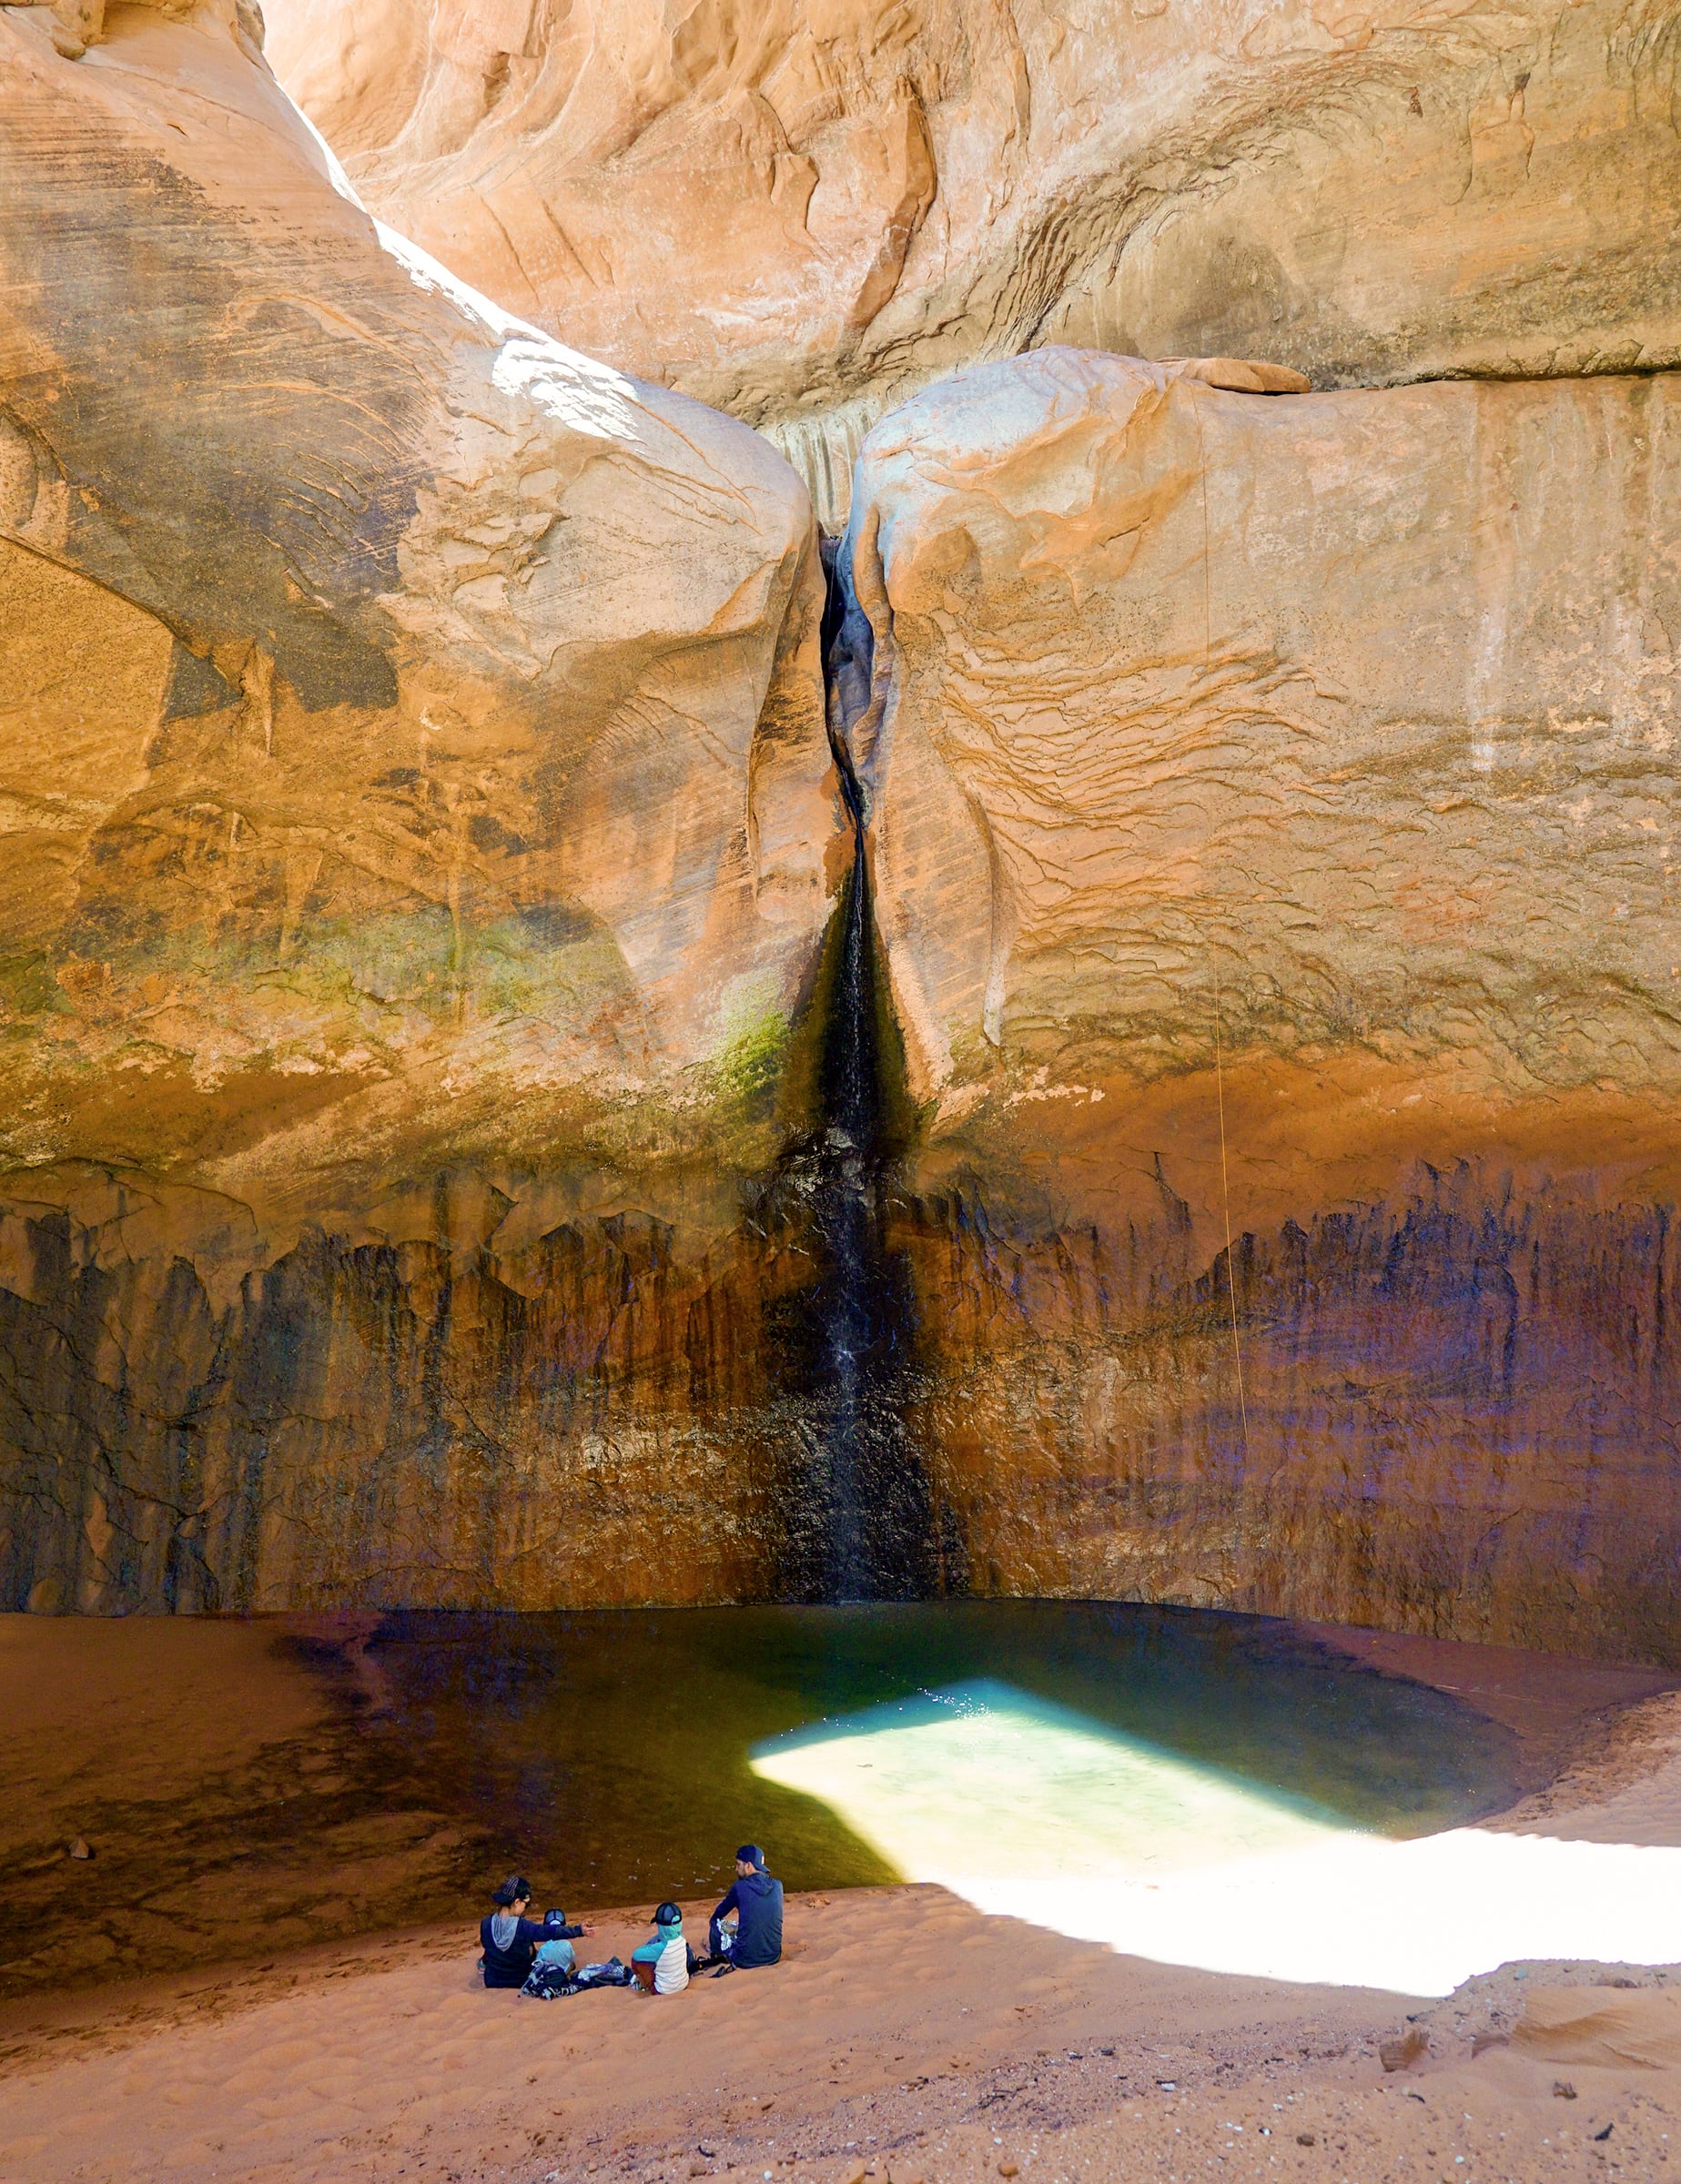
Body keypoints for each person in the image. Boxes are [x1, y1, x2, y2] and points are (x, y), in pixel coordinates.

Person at [479, 1876, 592, 1990]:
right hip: (519, 1982)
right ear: (517, 1902)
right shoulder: (523, 1926)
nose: (526, 1908)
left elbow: (488, 1949)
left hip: (492, 1982)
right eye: (526, 1904)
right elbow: (550, 1932)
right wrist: (578, 1931)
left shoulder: (486, 1923)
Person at [708, 1845, 783, 1970]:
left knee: (716, 1924)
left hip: (745, 1960)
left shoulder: (740, 1887)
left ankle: (717, 1954)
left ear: (748, 1865)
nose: (736, 1869)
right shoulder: (778, 1886)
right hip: (773, 1956)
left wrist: (714, 1922)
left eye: (738, 1864)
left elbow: (720, 1913)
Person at [631, 1900, 697, 1994]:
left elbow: (636, 1955)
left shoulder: (660, 1948)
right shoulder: (682, 1938)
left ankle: (643, 1984)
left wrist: (649, 1946)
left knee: (638, 1962)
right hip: (683, 1984)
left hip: (663, 1991)